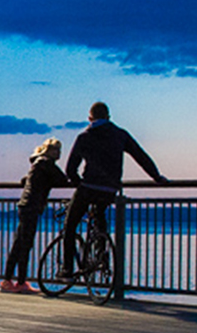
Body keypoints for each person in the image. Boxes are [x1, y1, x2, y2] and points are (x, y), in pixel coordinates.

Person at [60, 102, 168, 277]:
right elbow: (141, 157)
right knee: (100, 216)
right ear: (109, 117)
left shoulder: (84, 137)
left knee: (70, 224)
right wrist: (157, 177)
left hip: (88, 187)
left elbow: (70, 169)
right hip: (110, 189)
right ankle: (102, 258)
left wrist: (77, 182)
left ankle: (67, 268)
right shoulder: (120, 134)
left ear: (90, 118)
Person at [0, 138, 69, 293]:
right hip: (31, 207)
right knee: (25, 245)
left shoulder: (37, 163)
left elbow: (25, 180)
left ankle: (8, 280)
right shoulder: (46, 163)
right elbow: (62, 179)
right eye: (55, 149)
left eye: (59, 150)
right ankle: (19, 282)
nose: (58, 153)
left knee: (19, 244)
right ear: (48, 150)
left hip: (25, 205)